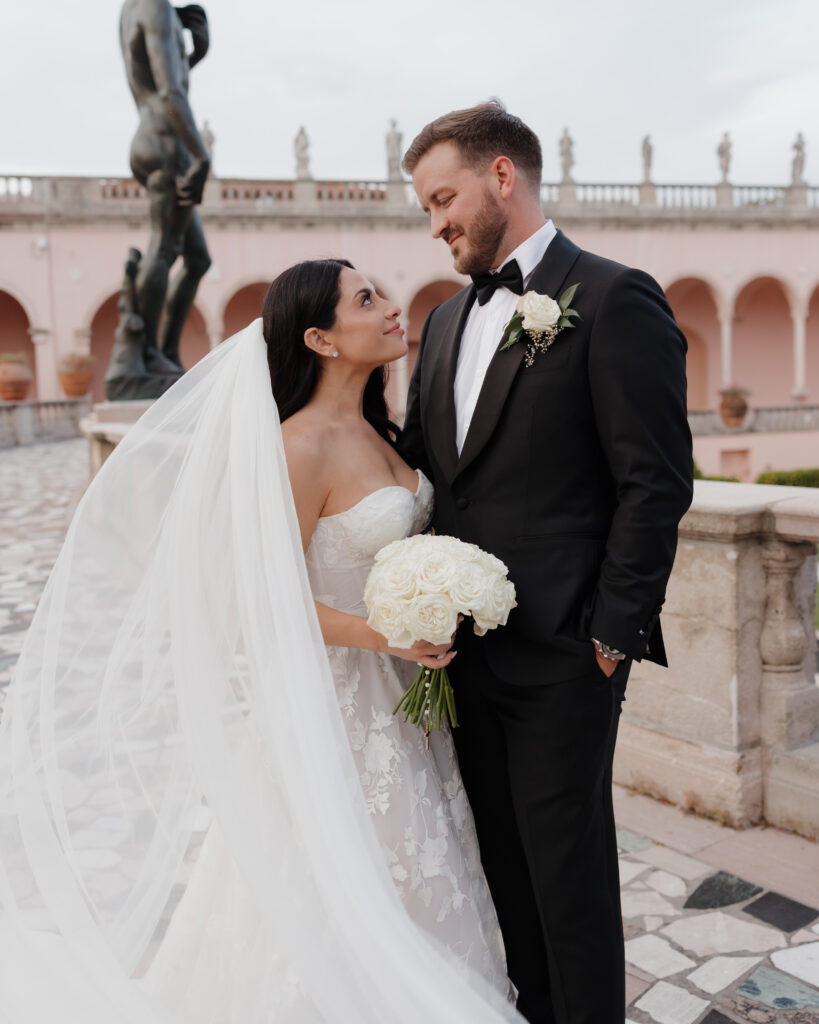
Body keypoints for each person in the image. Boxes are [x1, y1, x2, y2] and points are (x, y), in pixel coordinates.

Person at [0, 261, 519, 1024]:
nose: (389, 307)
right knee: (343, 880)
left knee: (420, 874)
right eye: (365, 299)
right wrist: (388, 635)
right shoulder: (295, 446)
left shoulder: (379, 429)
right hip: (336, 703)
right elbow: (256, 599)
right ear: (320, 338)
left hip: (403, 704)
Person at [401, 100, 693, 1024]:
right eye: (424, 208)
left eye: (443, 197)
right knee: (497, 871)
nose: (436, 222)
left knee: (567, 877)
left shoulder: (613, 297)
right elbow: (435, 472)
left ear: (501, 176)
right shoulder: (444, 322)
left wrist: (609, 633)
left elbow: (655, 481)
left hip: (566, 654)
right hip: (460, 655)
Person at [120, 0, 213, 372]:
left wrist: (197, 53)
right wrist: (202, 155)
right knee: (163, 247)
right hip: (164, 141)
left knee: (197, 258)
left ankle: (165, 353)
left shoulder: (138, 8)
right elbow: (170, 89)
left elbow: (161, 74)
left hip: (154, 134)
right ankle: (146, 354)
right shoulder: (153, 5)